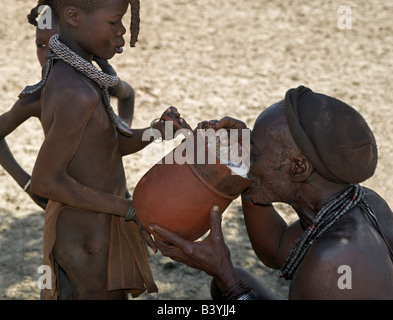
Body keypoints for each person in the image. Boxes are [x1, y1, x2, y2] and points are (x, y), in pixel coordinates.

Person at [151, 85, 393, 300]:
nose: (247, 157)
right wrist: (241, 161)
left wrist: (223, 273)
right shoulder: (359, 201)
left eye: (254, 155)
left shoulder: (334, 261)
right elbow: (275, 251)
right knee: (231, 282)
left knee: (229, 281)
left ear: (298, 168)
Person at [25, 0, 190, 300]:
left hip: (96, 228)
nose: (123, 30)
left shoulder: (82, 75)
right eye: (114, 22)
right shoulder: (74, 91)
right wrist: (127, 209)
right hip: (88, 237)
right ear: (73, 17)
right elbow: (45, 181)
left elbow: (104, 148)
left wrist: (158, 131)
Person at [0, 5, 136, 210]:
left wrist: (120, 134)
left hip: (115, 198)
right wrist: (25, 182)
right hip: (72, 210)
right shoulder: (35, 98)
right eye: (40, 45)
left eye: (57, 42)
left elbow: (128, 95)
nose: (48, 53)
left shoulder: (101, 83)